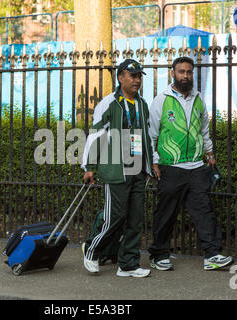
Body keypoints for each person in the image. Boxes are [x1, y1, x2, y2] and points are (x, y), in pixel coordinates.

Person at [148, 56, 233, 271]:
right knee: (166, 213)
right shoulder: (162, 100)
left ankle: (212, 255)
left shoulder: (198, 99)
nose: (185, 76)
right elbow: (151, 135)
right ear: (173, 73)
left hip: (196, 166)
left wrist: (209, 153)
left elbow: (203, 130)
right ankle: (159, 255)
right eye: (181, 72)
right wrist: (154, 162)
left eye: (189, 72)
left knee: (204, 211)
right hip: (170, 166)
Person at [81, 59, 153, 278]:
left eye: (139, 76)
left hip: (138, 170)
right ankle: (92, 251)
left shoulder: (142, 104)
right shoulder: (109, 103)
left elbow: (147, 136)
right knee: (115, 217)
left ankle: (128, 264)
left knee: (134, 219)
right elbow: (95, 135)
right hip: (116, 170)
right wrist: (90, 166)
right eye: (133, 76)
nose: (137, 80)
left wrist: (150, 165)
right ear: (120, 77)